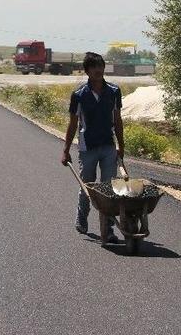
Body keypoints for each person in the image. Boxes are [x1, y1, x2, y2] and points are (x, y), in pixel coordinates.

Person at [61, 52, 125, 243]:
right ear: (87, 71)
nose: (98, 70)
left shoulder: (114, 91)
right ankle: (82, 217)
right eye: (94, 67)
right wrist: (65, 150)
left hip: (107, 146)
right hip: (87, 148)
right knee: (87, 186)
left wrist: (121, 145)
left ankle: (109, 229)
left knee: (108, 189)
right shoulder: (79, 95)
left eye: (100, 66)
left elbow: (118, 120)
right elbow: (73, 124)